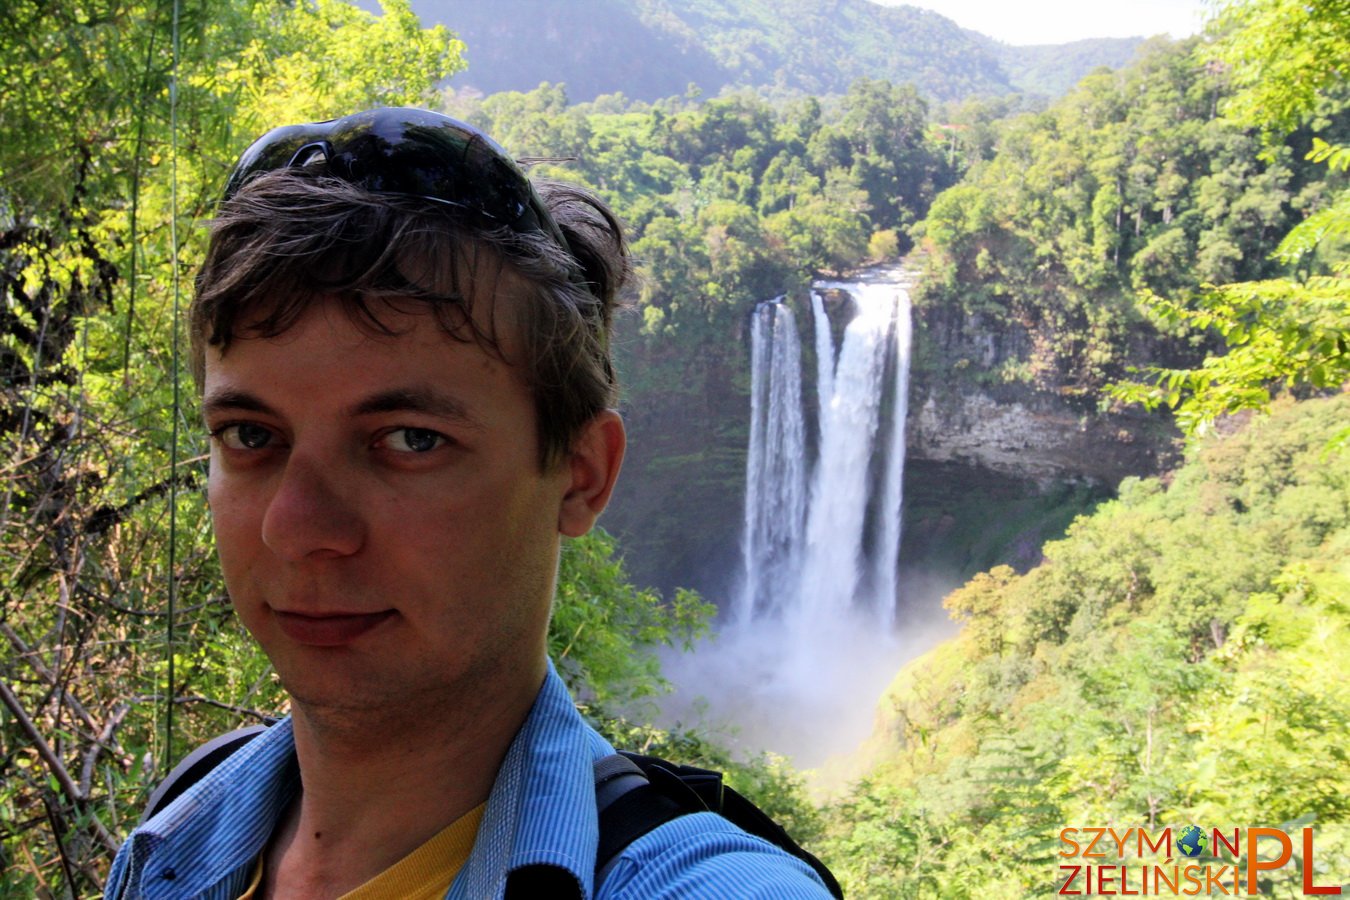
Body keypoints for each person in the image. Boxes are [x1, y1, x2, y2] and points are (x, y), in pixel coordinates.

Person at [103, 108, 833, 899]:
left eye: (410, 440)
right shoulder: (174, 837)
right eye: (251, 435)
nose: (298, 529)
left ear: (581, 474)